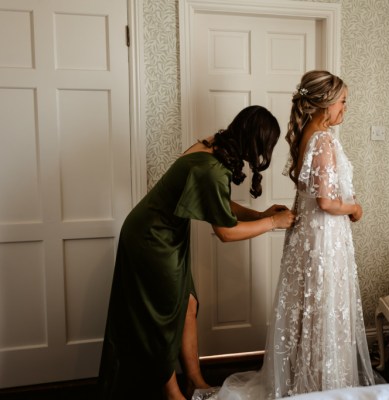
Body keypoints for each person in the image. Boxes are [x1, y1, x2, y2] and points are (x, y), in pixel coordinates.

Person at [98, 105, 296, 400]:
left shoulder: (213, 146)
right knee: (160, 318)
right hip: (150, 239)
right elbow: (226, 233)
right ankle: (172, 393)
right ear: (256, 143)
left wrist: (259, 214)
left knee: (188, 305)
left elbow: (217, 202)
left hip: (165, 235)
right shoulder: (211, 169)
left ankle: (196, 381)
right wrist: (272, 223)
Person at [210, 70, 374, 399]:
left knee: (307, 309)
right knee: (321, 308)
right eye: (343, 102)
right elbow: (326, 201)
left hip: (306, 239)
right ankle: (322, 387)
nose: (346, 108)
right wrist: (355, 209)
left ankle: (305, 380)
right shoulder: (324, 140)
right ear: (325, 103)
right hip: (324, 240)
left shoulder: (305, 135)